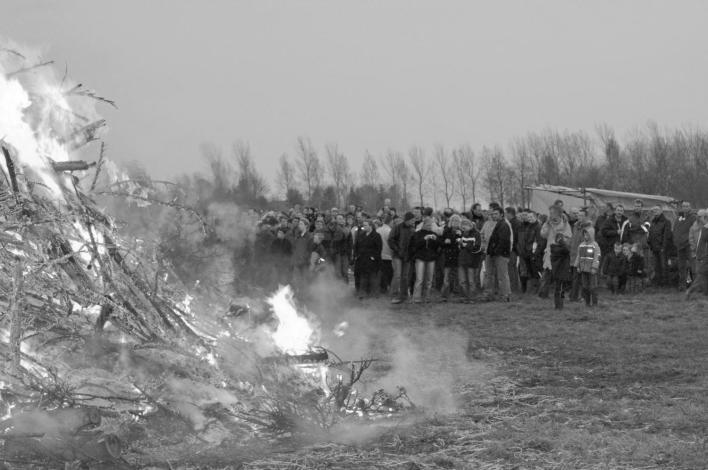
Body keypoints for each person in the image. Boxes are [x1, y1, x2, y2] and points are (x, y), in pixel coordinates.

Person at [539, 205, 572, 298]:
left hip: (560, 254)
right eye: (550, 212)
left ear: (558, 213)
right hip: (550, 252)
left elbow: (568, 238)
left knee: (560, 277)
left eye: (552, 212)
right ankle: (543, 294)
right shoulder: (548, 223)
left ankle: (560, 296)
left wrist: (561, 238)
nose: (550, 214)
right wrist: (547, 225)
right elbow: (543, 235)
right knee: (546, 274)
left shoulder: (565, 224)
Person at [484, 207, 512, 302]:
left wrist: (495, 252)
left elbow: (503, 241)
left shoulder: (504, 225)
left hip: (501, 255)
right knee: (492, 275)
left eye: (496, 214)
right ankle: (492, 295)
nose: (493, 215)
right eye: (493, 214)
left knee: (502, 276)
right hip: (494, 253)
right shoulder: (498, 224)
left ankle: (505, 295)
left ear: (501, 214)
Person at [411, 217, 441, 303]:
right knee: (419, 279)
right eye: (427, 225)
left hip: (431, 258)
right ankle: (416, 298)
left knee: (429, 279)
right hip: (420, 257)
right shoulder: (417, 234)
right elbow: (415, 245)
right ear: (423, 225)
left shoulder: (433, 233)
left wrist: (435, 240)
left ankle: (427, 297)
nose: (429, 226)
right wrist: (424, 239)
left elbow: (438, 246)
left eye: (430, 225)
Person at [389, 211, 416, 304]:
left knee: (405, 276)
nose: (413, 222)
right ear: (407, 219)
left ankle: (403, 295)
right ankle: (394, 295)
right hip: (397, 255)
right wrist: (397, 250)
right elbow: (391, 240)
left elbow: (413, 243)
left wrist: (411, 253)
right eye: (412, 220)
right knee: (397, 275)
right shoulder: (397, 227)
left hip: (407, 256)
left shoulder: (412, 229)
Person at [568, 208, 592, 301]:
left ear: (585, 217)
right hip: (574, 255)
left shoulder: (588, 228)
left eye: (582, 215)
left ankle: (583, 296)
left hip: (583, 255)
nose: (579, 217)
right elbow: (573, 240)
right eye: (578, 215)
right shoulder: (575, 226)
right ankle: (574, 296)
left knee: (583, 278)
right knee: (575, 278)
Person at [353, 219, 382, 298]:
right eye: (363, 225)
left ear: (371, 226)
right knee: (363, 277)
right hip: (362, 259)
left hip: (372, 261)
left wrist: (373, 257)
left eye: (365, 225)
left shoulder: (376, 235)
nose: (364, 227)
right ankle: (362, 294)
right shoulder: (361, 235)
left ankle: (374, 294)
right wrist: (356, 255)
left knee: (373, 278)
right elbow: (356, 246)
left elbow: (379, 248)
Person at [458, 218, 483, 301]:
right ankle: (464, 297)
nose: (463, 228)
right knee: (462, 280)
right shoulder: (462, 234)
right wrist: (461, 244)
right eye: (462, 227)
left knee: (471, 281)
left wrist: (465, 245)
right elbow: (461, 247)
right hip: (462, 260)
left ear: (470, 225)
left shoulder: (476, 234)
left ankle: (472, 297)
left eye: (464, 226)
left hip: (472, 260)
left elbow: (477, 248)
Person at [574, 227, 601, 306]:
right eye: (584, 234)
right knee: (585, 287)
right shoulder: (581, 245)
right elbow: (578, 256)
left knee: (593, 287)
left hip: (592, 270)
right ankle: (587, 303)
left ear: (591, 235)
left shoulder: (595, 245)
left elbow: (597, 257)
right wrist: (577, 266)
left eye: (587, 234)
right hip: (583, 270)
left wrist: (594, 267)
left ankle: (595, 303)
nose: (586, 236)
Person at [647, 206, 672, 286]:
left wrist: (663, 247)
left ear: (661, 211)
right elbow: (650, 234)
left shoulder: (666, 221)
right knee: (656, 266)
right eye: (654, 210)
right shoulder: (653, 222)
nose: (655, 211)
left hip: (662, 248)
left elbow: (666, 236)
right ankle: (658, 283)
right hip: (654, 248)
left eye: (657, 210)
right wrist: (650, 244)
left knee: (664, 266)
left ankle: (665, 283)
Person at [518, 211, 542, 294]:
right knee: (530, 271)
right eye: (528, 217)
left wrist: (536, 253)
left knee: (535, 271)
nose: (529, 219)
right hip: (527, 251)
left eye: (531, 217)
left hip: (534, 252)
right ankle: (532, 288)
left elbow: (539, 241)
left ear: (535, 217)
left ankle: (538, 288)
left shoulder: (538, 227)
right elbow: (525, 239)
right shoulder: (528, 227)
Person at [674, 202, 696, 291]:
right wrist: (675, 240)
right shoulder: (679, 218)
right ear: (681, 208)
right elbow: (675, 229)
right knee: (681, 266)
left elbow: (694, 231)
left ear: (690, 207)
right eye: (683, 206)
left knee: (693, 266)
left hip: (689, 245)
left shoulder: (693, 218)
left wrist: (689, 241)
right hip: (680, 245)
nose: (685, 208)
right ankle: (682, 285)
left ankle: (695, 286)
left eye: (687, 206)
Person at [686, 209, 708, 300]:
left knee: (702, 275)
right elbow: (700, 244)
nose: (699, 219)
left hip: (703, 256)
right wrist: (698, 255)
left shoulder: (704, 228)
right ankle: (690, 292)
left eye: (700, 217)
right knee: (701, 275)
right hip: (704, 257)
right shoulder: (705, 229)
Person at [440, 214, 463, 301]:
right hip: (448, 256)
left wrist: (461, 236)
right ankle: (444, 296)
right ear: (451, 222)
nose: (455, 223)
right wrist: (445, 242)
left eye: (457, 221)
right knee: (446, 277)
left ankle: (458, 294)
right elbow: (440, 242)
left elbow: (465, 243)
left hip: (458, 256)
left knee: (459, 277)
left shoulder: (461, 231)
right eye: (453, 221)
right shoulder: (446, 231)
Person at [550, 233, 572, 309]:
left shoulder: (554, 248)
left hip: (557, 272)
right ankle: (560, 305)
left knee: (558, 289)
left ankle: (558, 305)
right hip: (561, 272)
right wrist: (562, 242)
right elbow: (567, 250)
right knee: (561, 290)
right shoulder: (560, 249)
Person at [505, 207, 522, 294]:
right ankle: (515, 287)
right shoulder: (516, 222)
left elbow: (514, 237)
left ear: (509, 213)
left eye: (505, 213)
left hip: (512, 249)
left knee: (511, 268)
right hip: (515, 249)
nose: (505, 215)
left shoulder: (512, 223)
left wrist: (512, 247)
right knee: (513, 268)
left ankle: (513, 287)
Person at [378, 215, 394, 293]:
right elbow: (392, 244)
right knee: (389, 273)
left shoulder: (378, 230)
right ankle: (389, 288)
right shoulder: (390, 231)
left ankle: (382, 288)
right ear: (390, 222)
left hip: (379, 255)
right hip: (388, 256)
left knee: (382, 273)